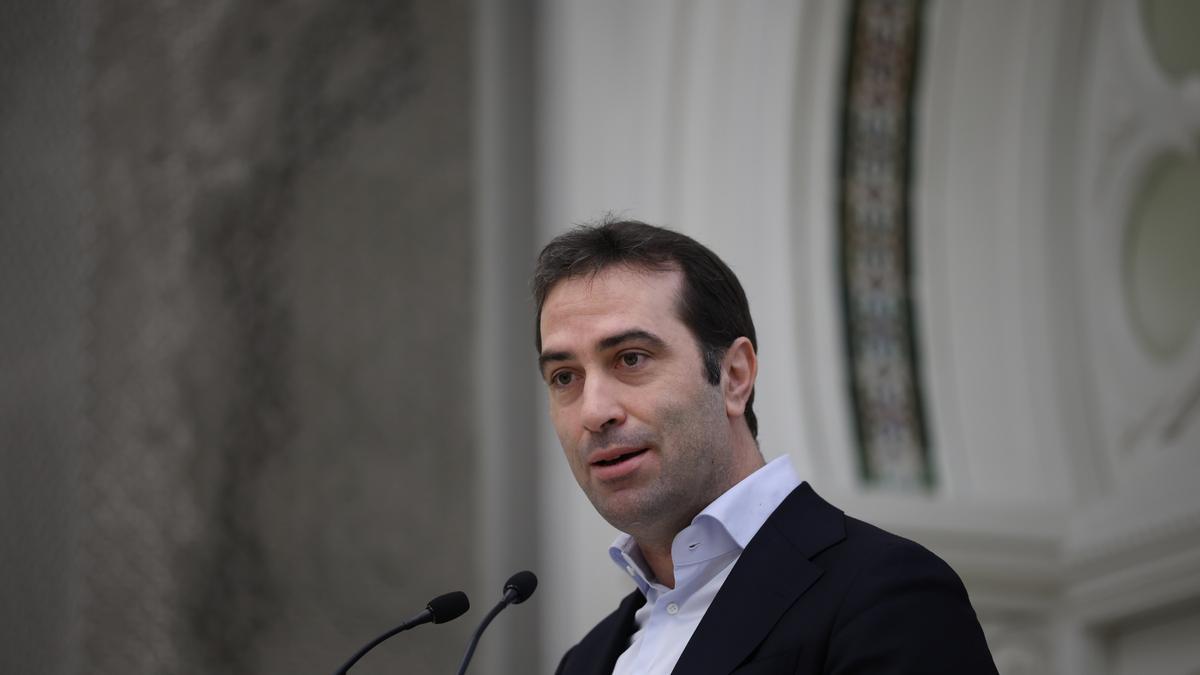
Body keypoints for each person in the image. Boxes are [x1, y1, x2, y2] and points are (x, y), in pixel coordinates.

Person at [534, 219, 998, 674]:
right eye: (564, 377)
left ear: (735, 376)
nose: (594, 412)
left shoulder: (887, 592)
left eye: (631, 358)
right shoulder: (584, 661)